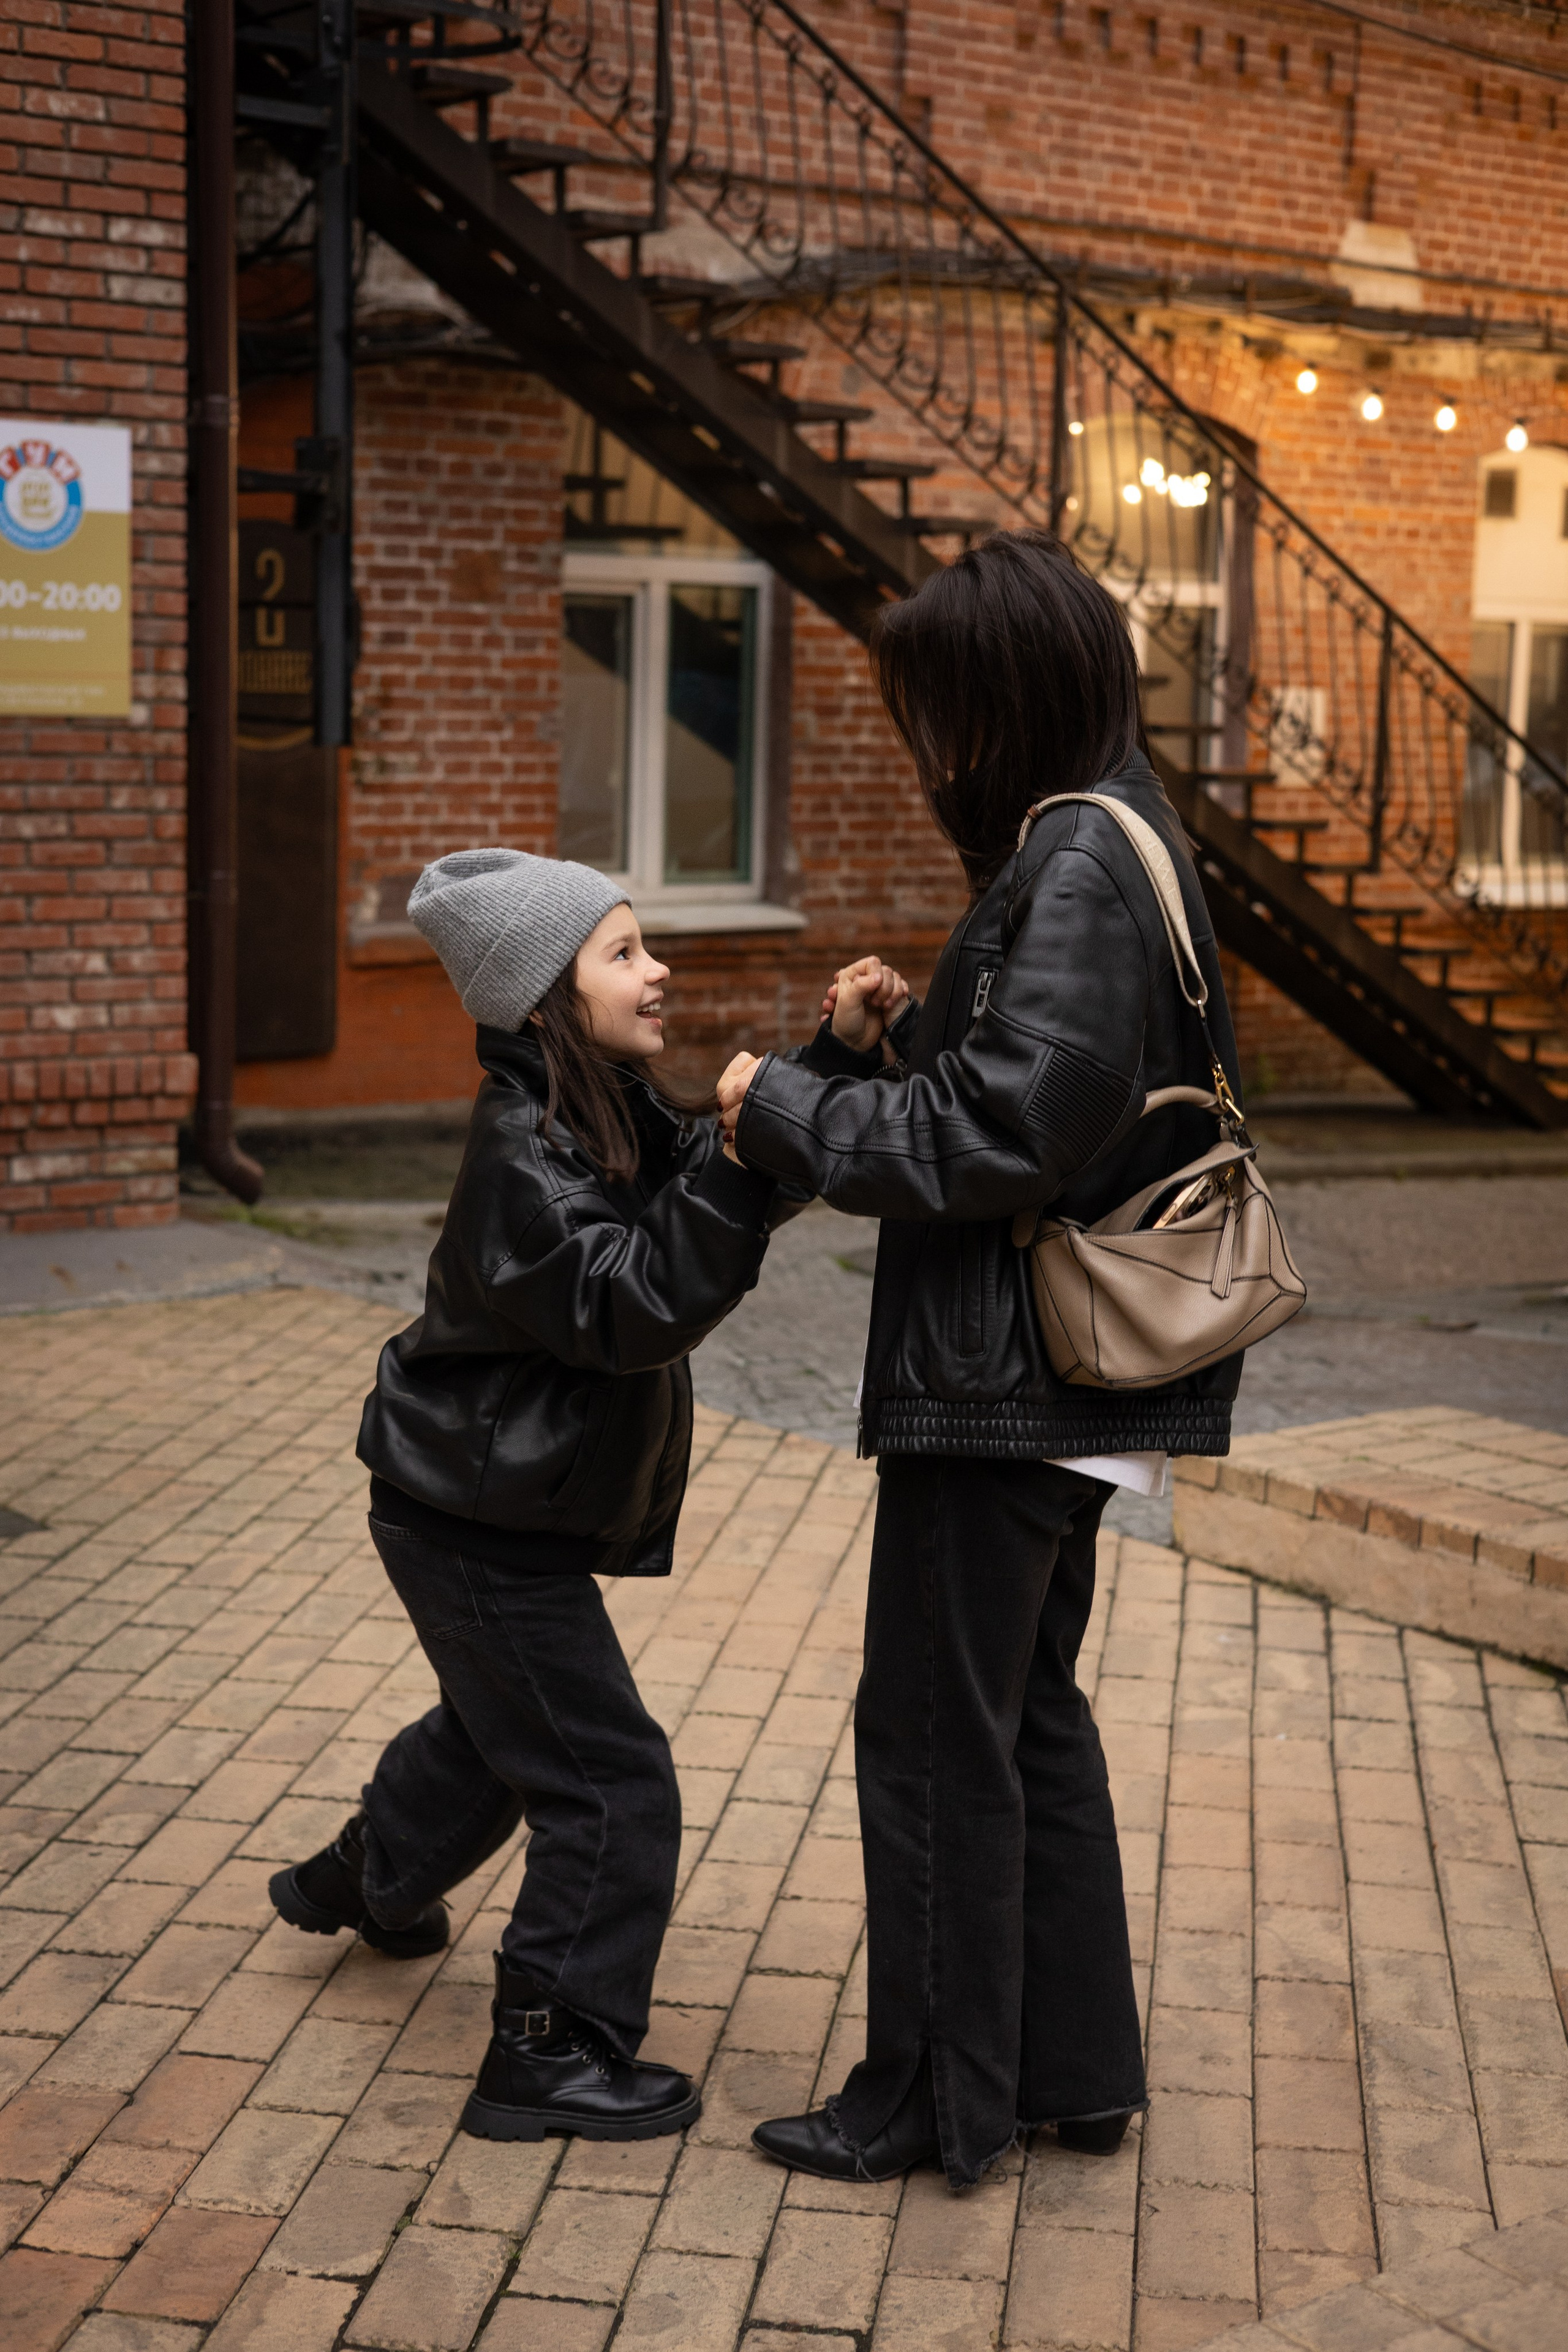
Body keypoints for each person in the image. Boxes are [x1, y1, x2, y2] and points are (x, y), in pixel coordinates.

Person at [716, 527, 1246, 2191]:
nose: (926, 745)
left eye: (939, 708)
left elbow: (1005, 1134)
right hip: (1059, 1384)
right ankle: (1070, 2071)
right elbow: (1046, 1084)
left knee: (941, 1735)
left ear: (1005, 696)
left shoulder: (1078, 855)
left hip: (1006, 1385)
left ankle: (930, 2100)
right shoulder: (1114, 827)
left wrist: (783, 1102)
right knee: (1022, 1716)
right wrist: (915, 1032)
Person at [267, 848, 901, 2146]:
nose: (656, 967)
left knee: (508, 1732)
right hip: (464, 1520)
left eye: (644, 944)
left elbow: (707, 1175)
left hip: (488, 1511)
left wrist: (821, 1065)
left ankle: (369, 1880)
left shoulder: (600, 1102)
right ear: (543, 995)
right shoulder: (524, 1160)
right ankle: (548, 2047)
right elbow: (636, 1303)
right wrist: (737, 1161)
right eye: (621, 952)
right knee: (610, 1787)